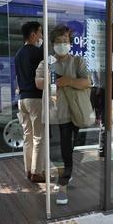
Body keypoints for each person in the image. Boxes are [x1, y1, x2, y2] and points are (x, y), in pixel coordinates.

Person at [35, 25, 91, 205]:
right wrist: (53, 80)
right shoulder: (46, 62)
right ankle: (64, 181)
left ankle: (64, 180)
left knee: (67, 151)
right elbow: (38, 83)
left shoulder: (77, 62)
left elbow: (86, 82)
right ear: (52, 44)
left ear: (70, 42)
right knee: (56, 153)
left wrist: (69, 81)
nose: (62, 44)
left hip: (72, 114)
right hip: (53, 115)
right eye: (58, 42)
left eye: (65, 41)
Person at [14, 21, 45, 182]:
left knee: (27, 136)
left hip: (22, 100)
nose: (41, 36)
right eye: (40, 33)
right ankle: (37, 172)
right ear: (33, 34)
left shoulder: (18, 54)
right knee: (39, 137)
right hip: (35, 99)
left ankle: (28, 170)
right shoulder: (37, 53)